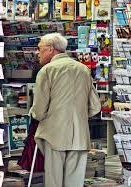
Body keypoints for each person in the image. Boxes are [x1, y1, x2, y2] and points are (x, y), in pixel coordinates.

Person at [29, 33, 101, 187]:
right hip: (79, 136)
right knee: (74, 182)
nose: (37, 53)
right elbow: (95, 106)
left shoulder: (47, 70)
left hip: (54, 135)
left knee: (54, 181)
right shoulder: (83, 69)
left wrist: (34, 114)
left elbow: (39, 110)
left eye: (40, 48)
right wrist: (77, 115)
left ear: (50, 49)